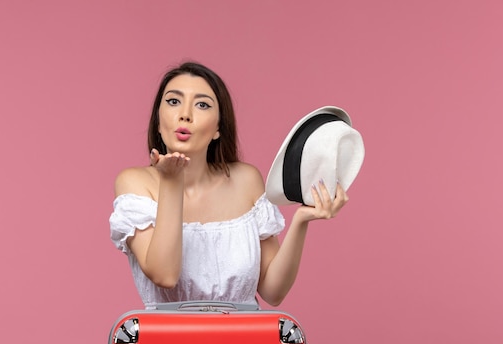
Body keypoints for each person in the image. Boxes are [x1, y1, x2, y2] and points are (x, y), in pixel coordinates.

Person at [109, 61, 348, 309]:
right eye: (173, 101)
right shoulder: (134, 183)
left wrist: (301, 220)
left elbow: (273, 292)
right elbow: (164, 275)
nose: (185, 114)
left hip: (245, 342)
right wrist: (171, 180)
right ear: (158, 121)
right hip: (166, 343)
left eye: (202, 104)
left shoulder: (246, 180)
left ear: (218, 129)